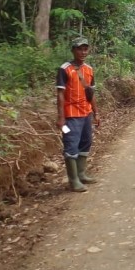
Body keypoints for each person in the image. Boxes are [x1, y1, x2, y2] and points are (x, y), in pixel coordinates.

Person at [57, 36, 100, 192]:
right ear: (73, 50)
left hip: (86, 113)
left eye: (85, 49)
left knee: (86, 143)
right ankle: (73, 180)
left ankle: (81, 174)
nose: (83, 52)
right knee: (71, 145)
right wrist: (61, 117)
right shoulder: (65, 69)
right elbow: (60, 94)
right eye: (79, 49)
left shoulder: (89, 69)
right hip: (70, 116)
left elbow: (91, 93)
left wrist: (96, 112)